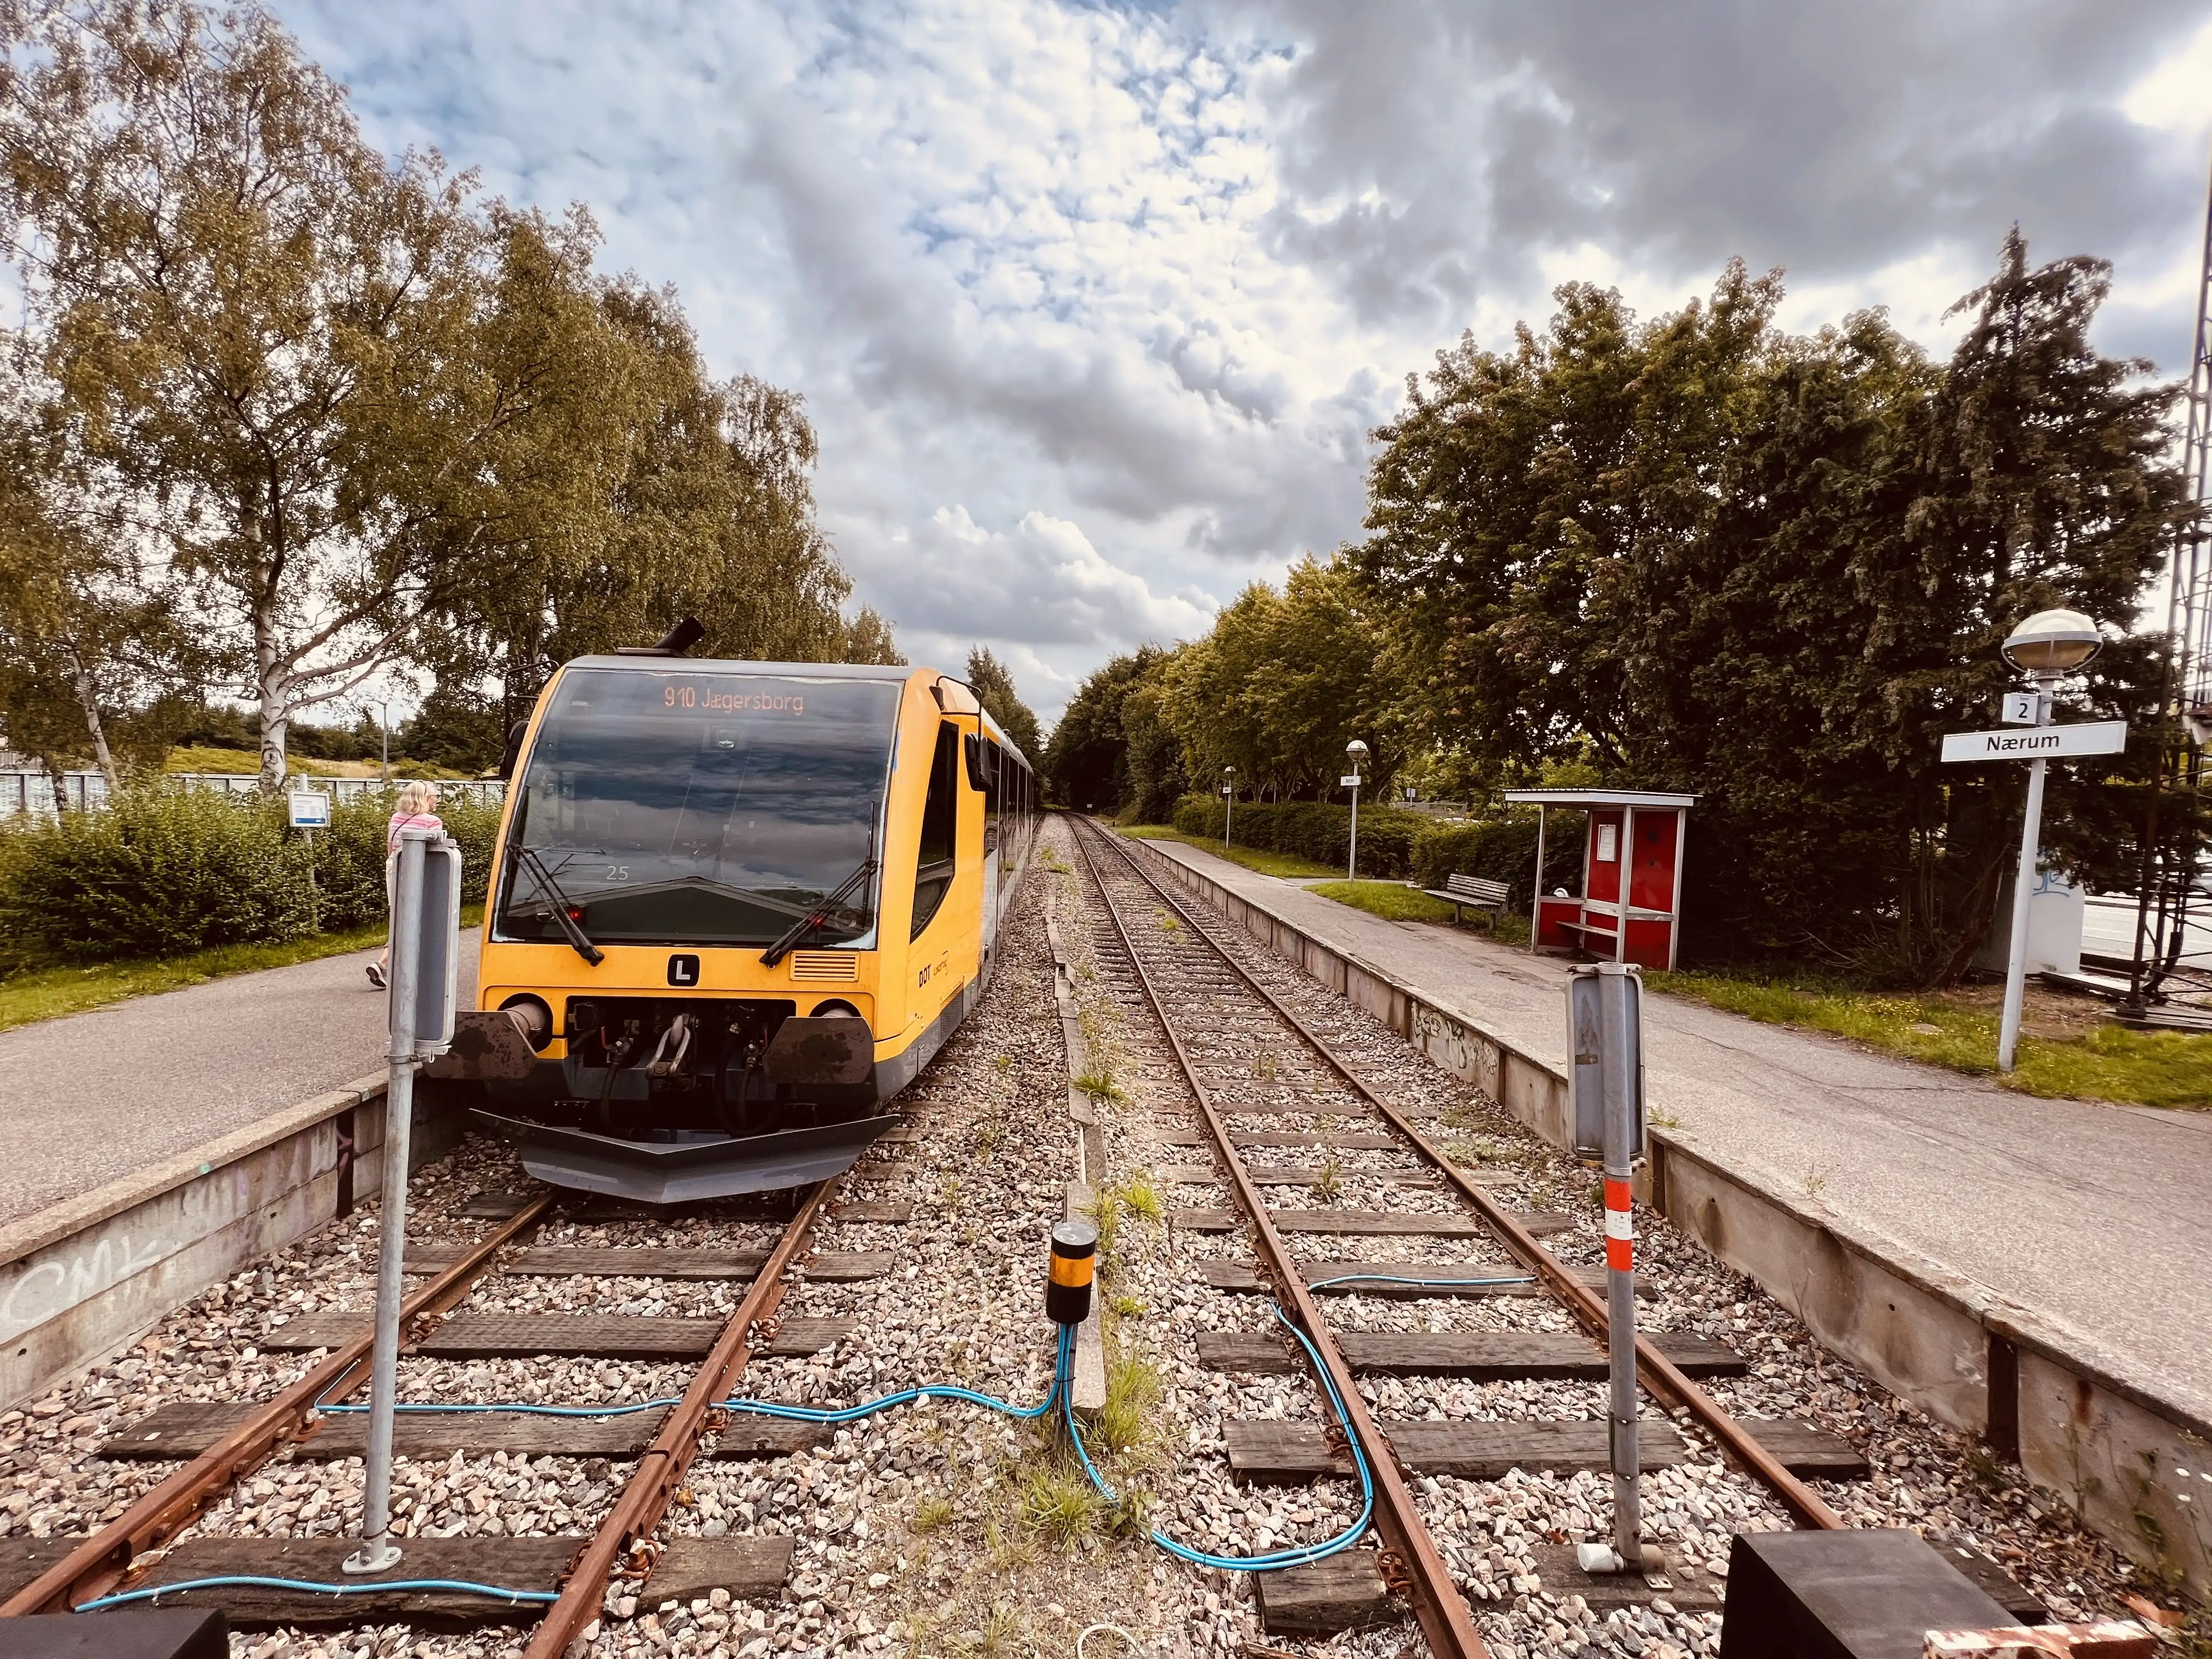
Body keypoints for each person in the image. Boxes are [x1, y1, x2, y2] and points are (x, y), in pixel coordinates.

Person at [369, 781, 443, 989]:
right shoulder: (432, 822)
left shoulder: (396, 818)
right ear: (425, 798)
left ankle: (388, 965)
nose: (436, 799)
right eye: (434, 796)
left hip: (394, 866)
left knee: (399, 916)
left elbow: (390, 847)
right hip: (419, 870)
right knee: (419, 919)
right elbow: (437, 855)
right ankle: (388, 964)